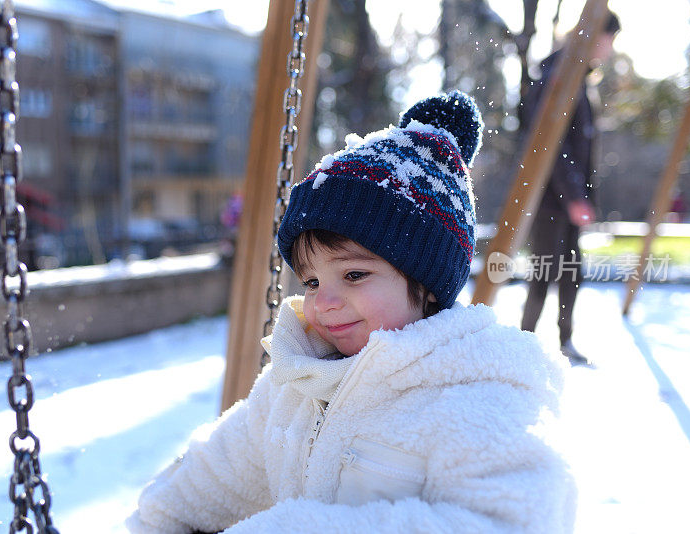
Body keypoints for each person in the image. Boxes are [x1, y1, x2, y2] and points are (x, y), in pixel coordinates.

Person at [127, 91, 575, 533]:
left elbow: (516, 518)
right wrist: (156, 520)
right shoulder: (298, 382)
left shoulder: (479, 395)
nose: (324, 302)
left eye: (355, 275)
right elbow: (216, 475)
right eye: (312, 281)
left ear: (428, 281)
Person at [520, 12, 621, 366]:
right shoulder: (558, 76)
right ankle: (524, 341)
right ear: (594, 37)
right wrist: (574, 197)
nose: (610, 49)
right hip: (550, 196)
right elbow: (553, 146)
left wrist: (582, 197)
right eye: (609, 39)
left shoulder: (579, 77)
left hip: (567, 198)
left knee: (571, 271)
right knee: (545, 270)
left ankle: (565, 340)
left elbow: (581, 147)